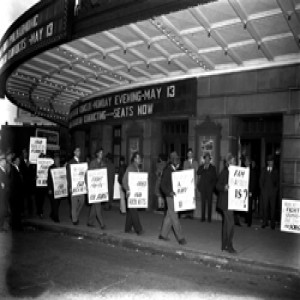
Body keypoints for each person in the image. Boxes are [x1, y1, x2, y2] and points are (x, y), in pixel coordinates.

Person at [159, 151, 187, 245]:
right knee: (174, 216)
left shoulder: (178, 169)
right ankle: (181, 238)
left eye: (178, 158)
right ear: (171, 160)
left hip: (177, 196)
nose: (177, 160)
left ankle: (163, 235)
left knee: (169, 215)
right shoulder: (167, 170)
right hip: (170, 196)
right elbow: (162, 185)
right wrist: (168, 192)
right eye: (175, 159)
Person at [216, 153, 237, 254]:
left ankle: (224, 245)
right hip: (226, 202)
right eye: (233, 161)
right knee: (231, 224)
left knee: (226, 224)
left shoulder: (233, 172)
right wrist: (224, 187)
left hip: (231, 201)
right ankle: (229, 246)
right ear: (228, 162)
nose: (235, 163)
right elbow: (217, 185)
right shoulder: (224, 172)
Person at [122, 151, 144, 235]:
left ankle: (127, 228)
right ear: (134, 159)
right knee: (134, 211)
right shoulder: (130, 168)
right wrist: (127, 189)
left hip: (135, 193)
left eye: (140, 158)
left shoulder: (137, 168)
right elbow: (124, 180)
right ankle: (138, 229)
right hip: (130, 193)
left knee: (131, 211)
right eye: (138, 158)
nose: (139, 159)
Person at [86, 148, 106, 229]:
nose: (102, 154)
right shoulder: (93, 163)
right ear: (97, 154)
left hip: (100, 187)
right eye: (100, 153)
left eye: (102, 153)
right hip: (94, 187)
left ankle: (90, 222)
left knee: (95, 206)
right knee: (98, 205)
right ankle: (102, 224)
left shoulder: (103, 163)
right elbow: (88, 174)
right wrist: (88, 186)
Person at [66, 147, 86, 225]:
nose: (79, 152)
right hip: (74, 186)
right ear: (74, 152)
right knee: (74, 204)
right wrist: (70, 186)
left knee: (82, 201)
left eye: (80, 150)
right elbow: (68, 175)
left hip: (80, 187)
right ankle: (74, 220)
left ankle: (74, 215)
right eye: (77, 150)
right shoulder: (70, 162)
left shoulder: (81, 162)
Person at [260, 155, 279, 230]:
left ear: (273, 162)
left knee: (273, 209)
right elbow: (261, 180)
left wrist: (275, 190)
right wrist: (262, 190)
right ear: (267, 162)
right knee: (265, 208)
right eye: (269, 161)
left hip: (273, 193)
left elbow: (277, 182)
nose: (270, 162)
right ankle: (265, 222)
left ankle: (272, 224)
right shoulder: (264, 170)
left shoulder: (275, 170)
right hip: (265, 193)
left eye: (271, 161)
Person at [197, 152, 217, 222]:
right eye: (206, 159)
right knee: (203, 203)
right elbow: (198, 172)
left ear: (210, 159)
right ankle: (203, 218)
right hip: (203, 187)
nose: (207, 160)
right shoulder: (201, 166)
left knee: (209, 203)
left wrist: (212, 187)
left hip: (209, 188)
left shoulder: (213, 168)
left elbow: (215, 178)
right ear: (204, 159)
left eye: (208, 159)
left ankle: (209, 218)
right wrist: (203, 168)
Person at [182, 148, 199, 219]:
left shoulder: (195, 162)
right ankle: (187, 213)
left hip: (193, 182)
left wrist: (196, 183)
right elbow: (183, 172)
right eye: (188, 153)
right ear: (187, 154)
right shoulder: (185, 162)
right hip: (187, 183)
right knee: (187, 198)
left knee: (192, 198)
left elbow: (197, 173)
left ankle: (191, 213)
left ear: (192, 154)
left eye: (191, 153)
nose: (190, 155)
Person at [8, 155, 24, 230]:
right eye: (17, 160)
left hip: (18, 194)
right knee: (15, 211)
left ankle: (18, 225)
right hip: (15, 195)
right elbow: (12, 183)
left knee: (17, 211)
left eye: (19, 160)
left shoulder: (18, 169)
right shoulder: (13, 170)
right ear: (14, 161)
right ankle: (16, 226)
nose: (19, 161)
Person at [19, 148, 35, 217]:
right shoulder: (20, 162)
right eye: (23, 153)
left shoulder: (30, 161)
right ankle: (22, 211)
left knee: (30, 198)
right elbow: (21, 172)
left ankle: (30, 212)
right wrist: (26, 167)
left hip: (30, 183)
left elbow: (32, 172)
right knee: (23, 198)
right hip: (23, 183)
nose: (25, 154)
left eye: (26, 152)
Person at [244, 156, 259, 227]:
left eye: (247, 161)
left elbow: (253, 182)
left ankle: (249, 222)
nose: (245, 162)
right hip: (243, 191)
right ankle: (246, 219)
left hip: (249, 191)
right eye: (245, 161)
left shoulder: (252, 171)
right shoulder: (243, 170)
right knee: (245, 206)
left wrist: (251, 191)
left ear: (249, 162)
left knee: (249, 207)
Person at [48, 154, 62, 223]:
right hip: (53, 189)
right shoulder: (51, 167)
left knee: (58, 203)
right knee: (55, 203)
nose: (57, 161)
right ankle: (55, 217)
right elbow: (49, 179)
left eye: (58, 160)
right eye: (56, 160)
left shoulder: (60, 167)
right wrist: (49, 189)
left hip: (59, 189)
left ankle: (52, 213)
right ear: (54, 160)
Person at [0, 151, 9, 232]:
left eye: (5, 161)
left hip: (4, 194)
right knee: (1, 210)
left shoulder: (4, 170)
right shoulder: (0, 170)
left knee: (3, 210)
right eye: (3, 161)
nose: (5, 162)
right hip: (1, 194)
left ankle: (1, 226)